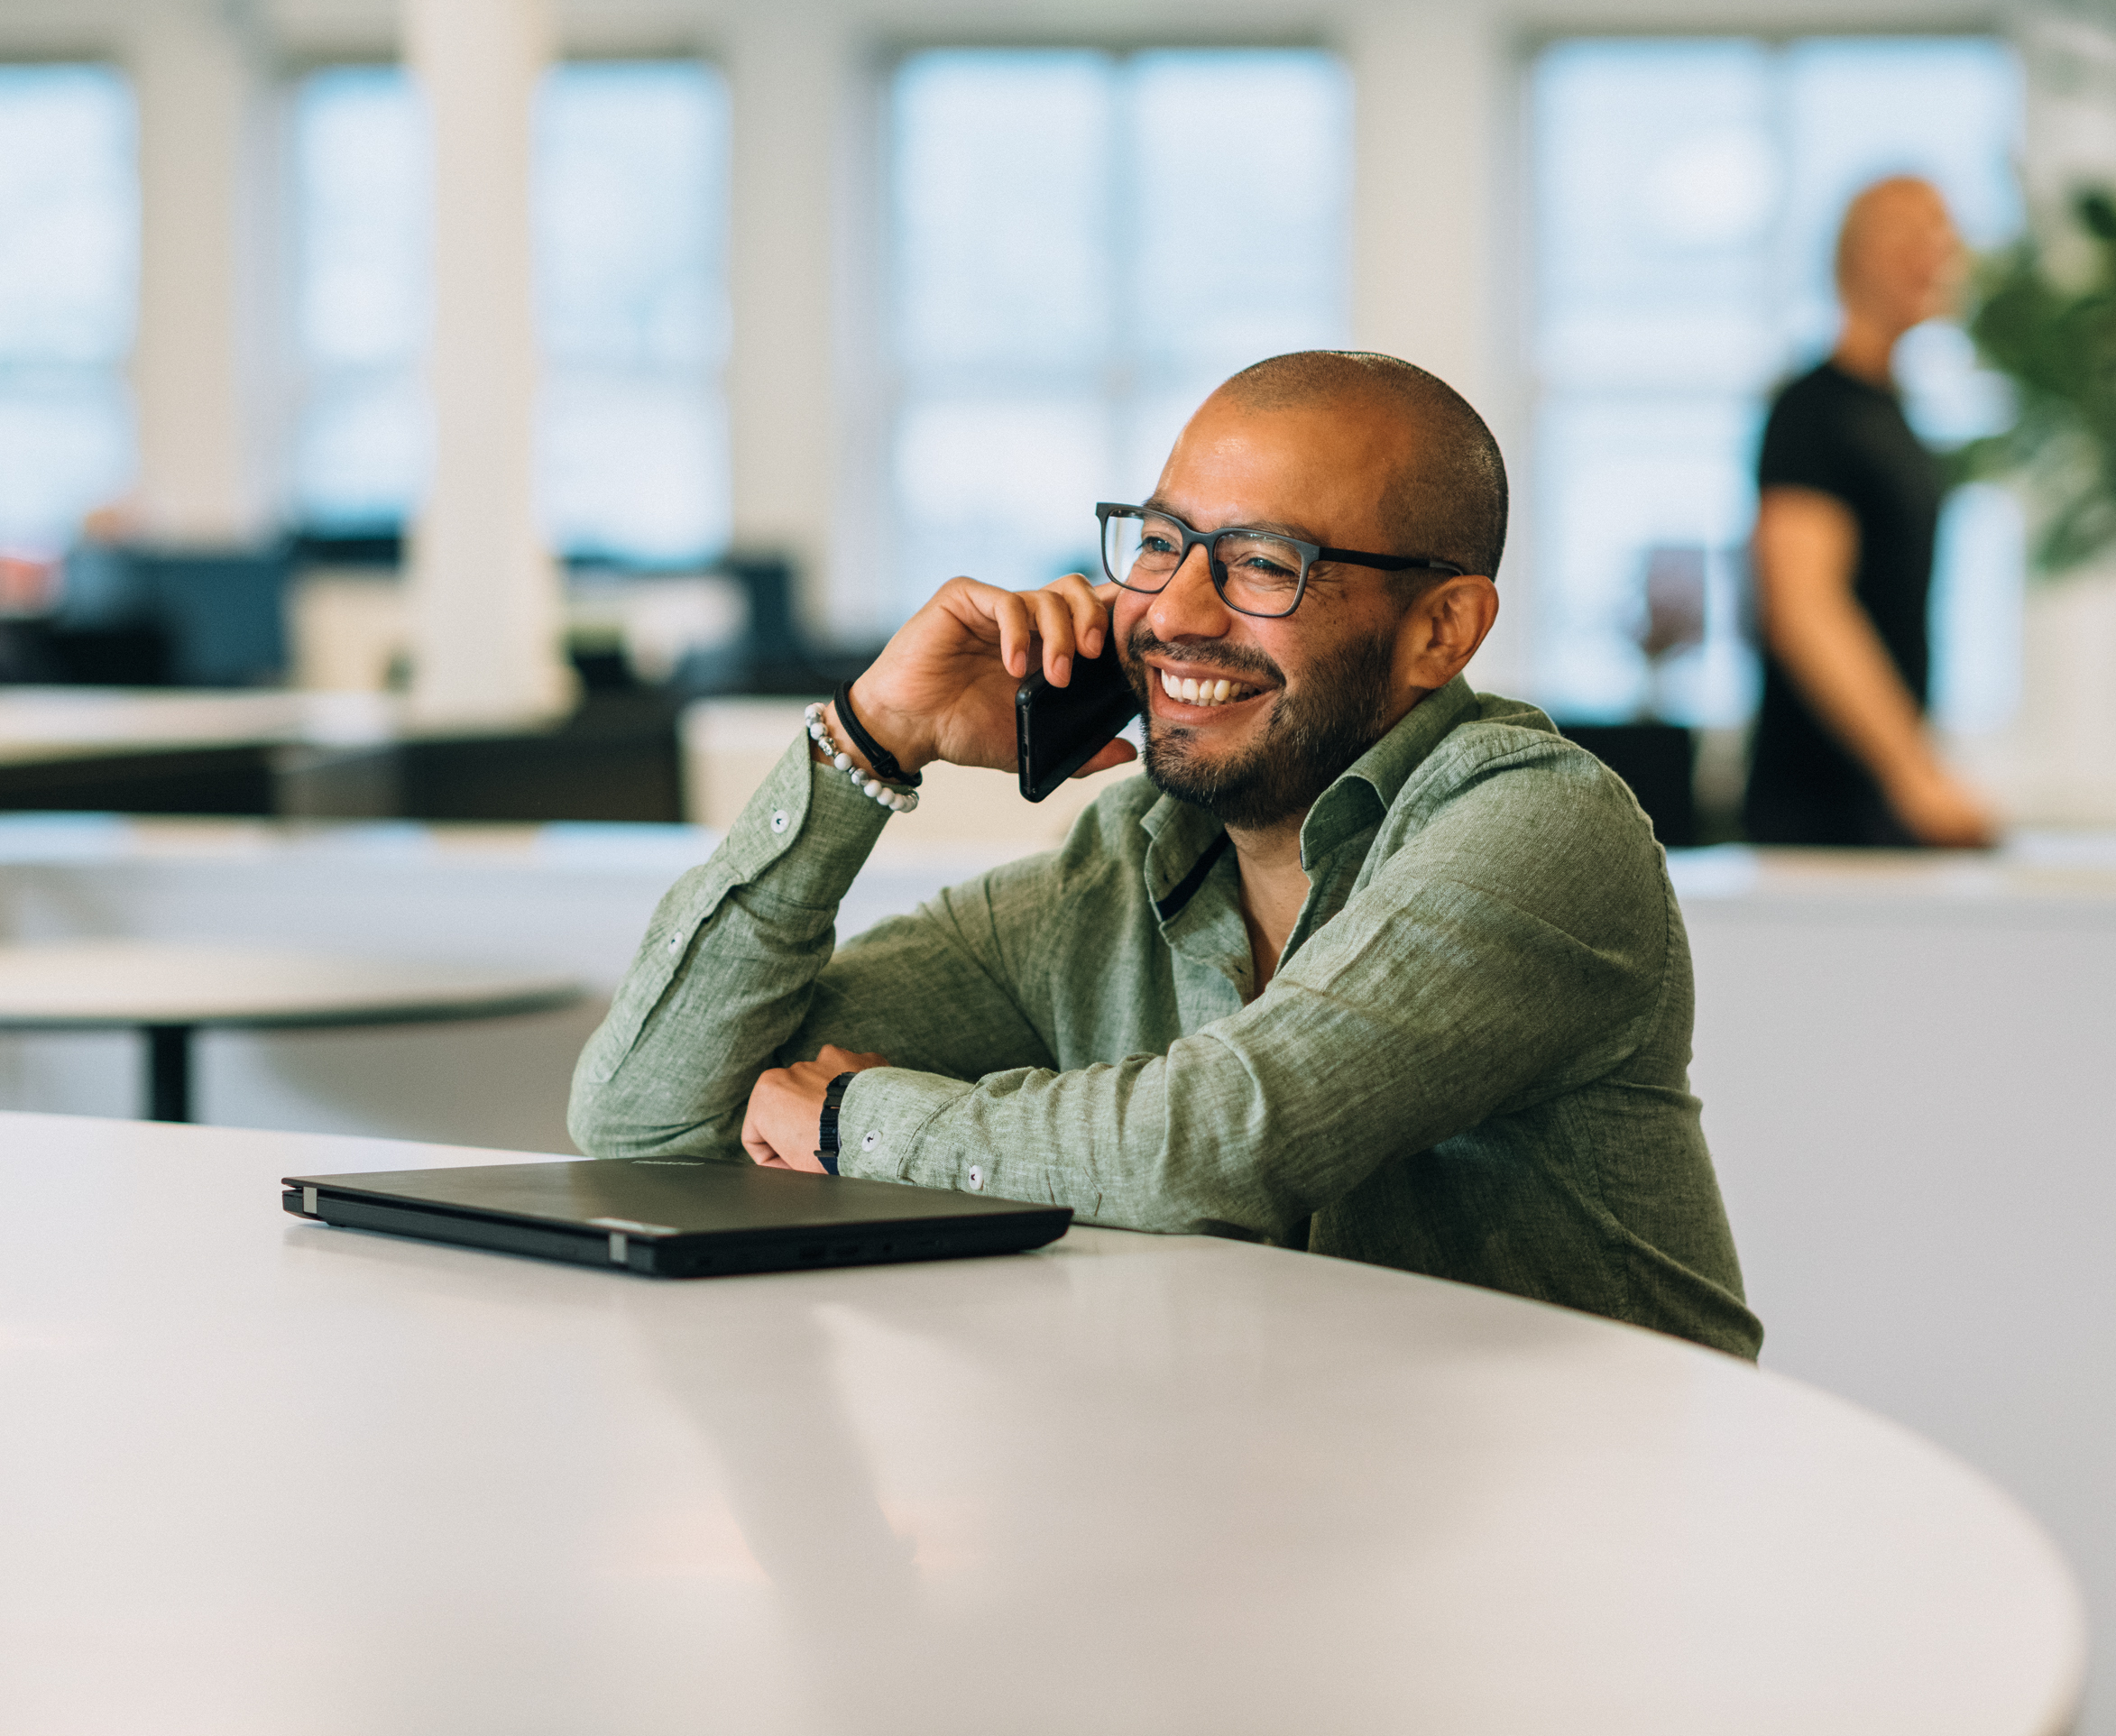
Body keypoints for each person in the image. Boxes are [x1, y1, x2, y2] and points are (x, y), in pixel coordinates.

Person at [569, 352, 1762, 1359]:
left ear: (1439, 629)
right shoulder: (1111, 867)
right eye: (1158, 542)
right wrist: (867, 740)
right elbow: (646, 1124)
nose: (1175, 612)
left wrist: (853, 1121)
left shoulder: (1539, 827)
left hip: (1591, 1528)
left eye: (1262, 561)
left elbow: (1221, 1140)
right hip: (1292, 1508)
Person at [1743, 176, 2001, 850]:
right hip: (1816, 810)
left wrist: (1922, 769)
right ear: (1852, 256)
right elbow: (1803, 609)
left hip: (1874, 804)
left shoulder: (1893, 412)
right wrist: (1913, 776)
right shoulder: (1810, 411)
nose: (1935, 254)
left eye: (1942, 236)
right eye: (1910, 235)